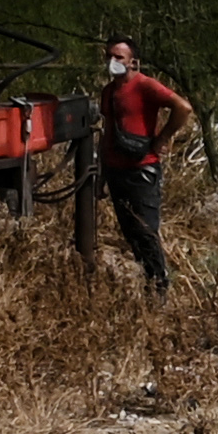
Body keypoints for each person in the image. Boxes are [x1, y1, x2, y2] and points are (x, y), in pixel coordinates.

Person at [84, 38, 200, 287]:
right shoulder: (108, 92)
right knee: (130, 233)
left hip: (141, 170)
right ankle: (148, 281)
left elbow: (183, 107)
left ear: (132, 62)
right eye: (109, 56)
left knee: (146, 231)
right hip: (116, 170)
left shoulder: (145, 85)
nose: (112, 62)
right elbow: (107, 135)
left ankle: (159, 285)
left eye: (118, 57)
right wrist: (102, 177)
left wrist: (163, 138)